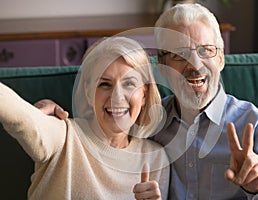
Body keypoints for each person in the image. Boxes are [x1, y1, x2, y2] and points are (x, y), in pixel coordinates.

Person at [36, 3, 258, 200]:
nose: (194, 65)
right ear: (162, 66)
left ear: (221, 58)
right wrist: (44, 114)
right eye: (179, 54)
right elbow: (99, 125)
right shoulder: (145, 120)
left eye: (206, 51)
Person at [0, 36, 169, 200]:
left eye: (129, 84)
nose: (117, 96)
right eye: (105, 84)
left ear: (144, 95)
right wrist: (35, 113)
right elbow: (19, 117)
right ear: (88, 92)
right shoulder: (63, 136)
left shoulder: (156, 158)